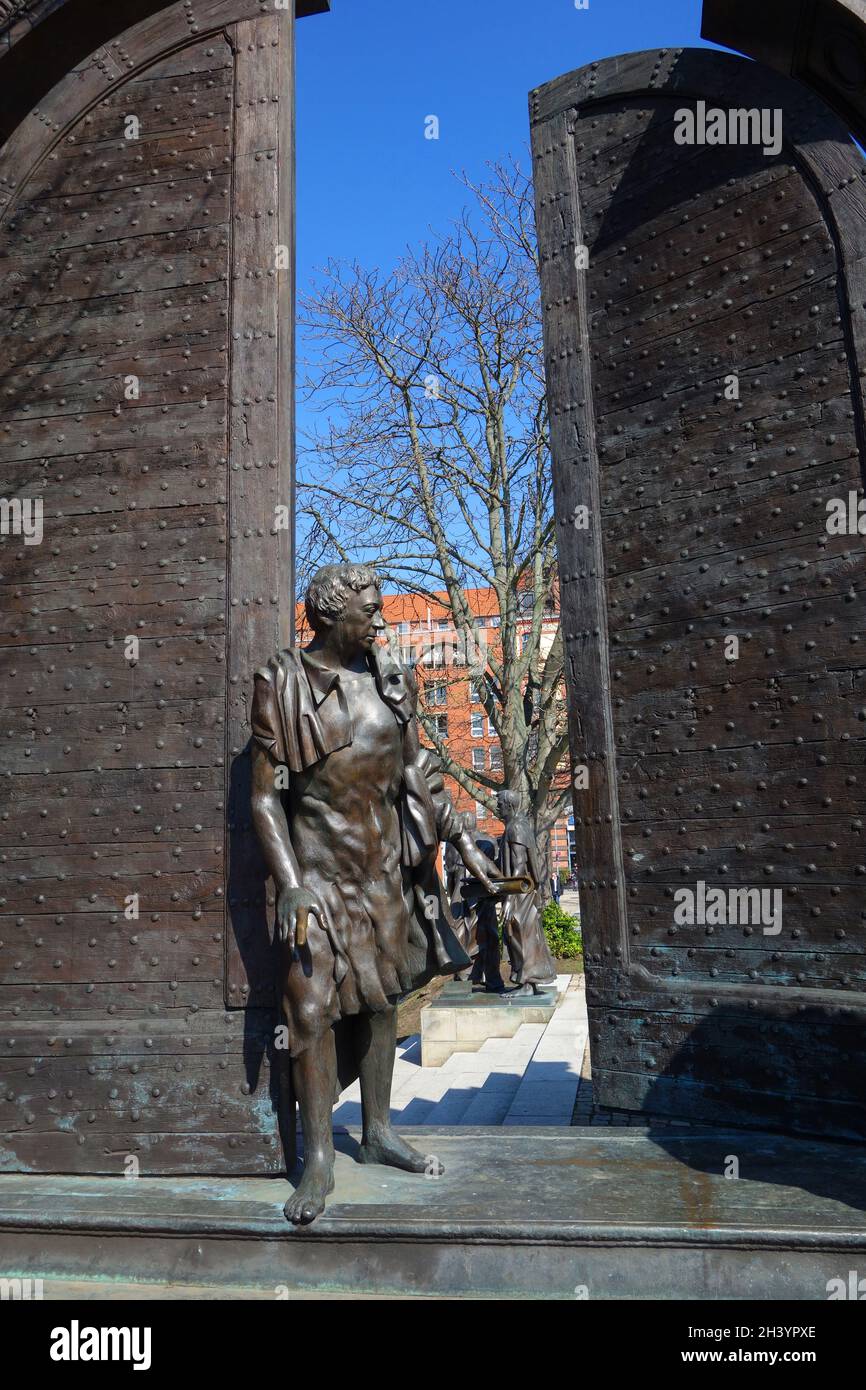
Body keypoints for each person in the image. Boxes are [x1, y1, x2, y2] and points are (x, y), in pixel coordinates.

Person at [250, 563, 498, 1224]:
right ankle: (321, 1158)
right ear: (330, 617)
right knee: (310, 1012)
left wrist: (462, 843)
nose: (383, 623)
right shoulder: (283, 682)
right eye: (372, 612)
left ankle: (380, 1131)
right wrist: (292, 887)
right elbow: (263, 800)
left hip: (383, 871)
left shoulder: (392, 680)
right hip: (319, 878)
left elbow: (419, 770)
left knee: (383, 1001)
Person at [497, 789, 557, 995]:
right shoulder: (520, 825)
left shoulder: (515, 827)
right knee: (523, 934)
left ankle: (527, 983)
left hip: (520, 892)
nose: (497, 807)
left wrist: (508, 897)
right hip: (524, 890)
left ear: (509, 805)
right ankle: (527, 982)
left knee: (518, 933)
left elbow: (519, 864)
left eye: (500, 803)